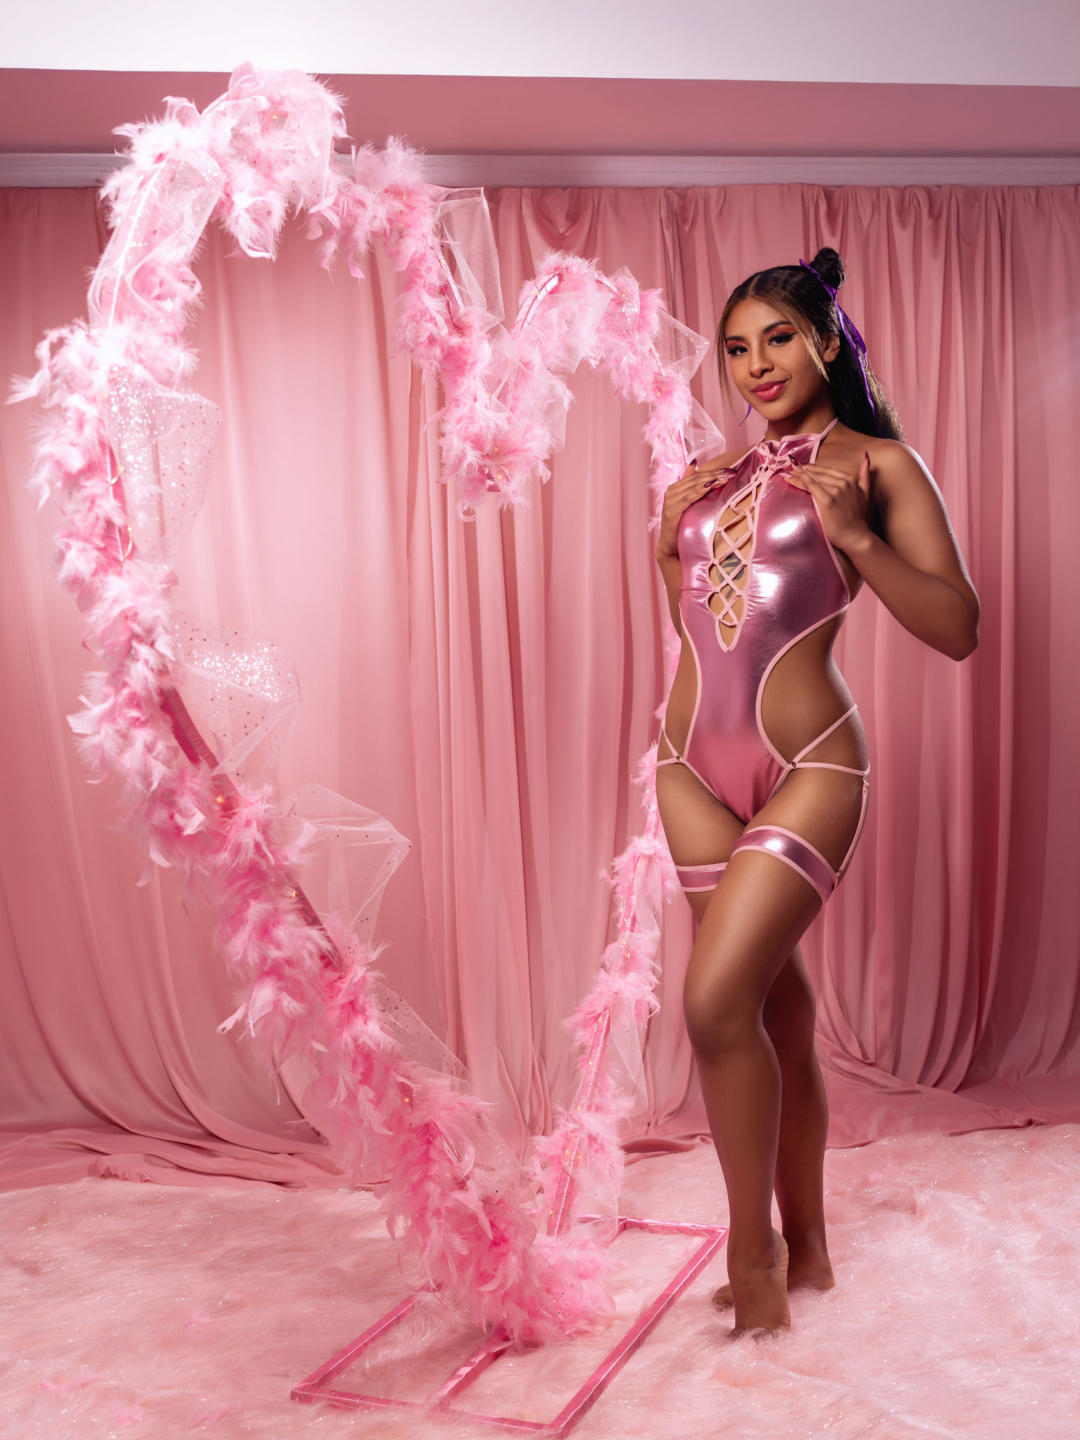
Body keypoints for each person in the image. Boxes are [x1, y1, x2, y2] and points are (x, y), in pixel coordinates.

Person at [654, 248, 979, 1338]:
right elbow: (703, 626)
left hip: (811, 767)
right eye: (736, 348)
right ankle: (812, 1250)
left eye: (779, 338)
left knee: (714, 1006)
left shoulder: (879, 465)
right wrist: (669, 542)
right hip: (688, 767)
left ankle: (753, 1259)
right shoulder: (716, 476)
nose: (756, 364)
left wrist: (853, 537)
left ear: (828, 341)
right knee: (772, 1011)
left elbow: (958, 627)